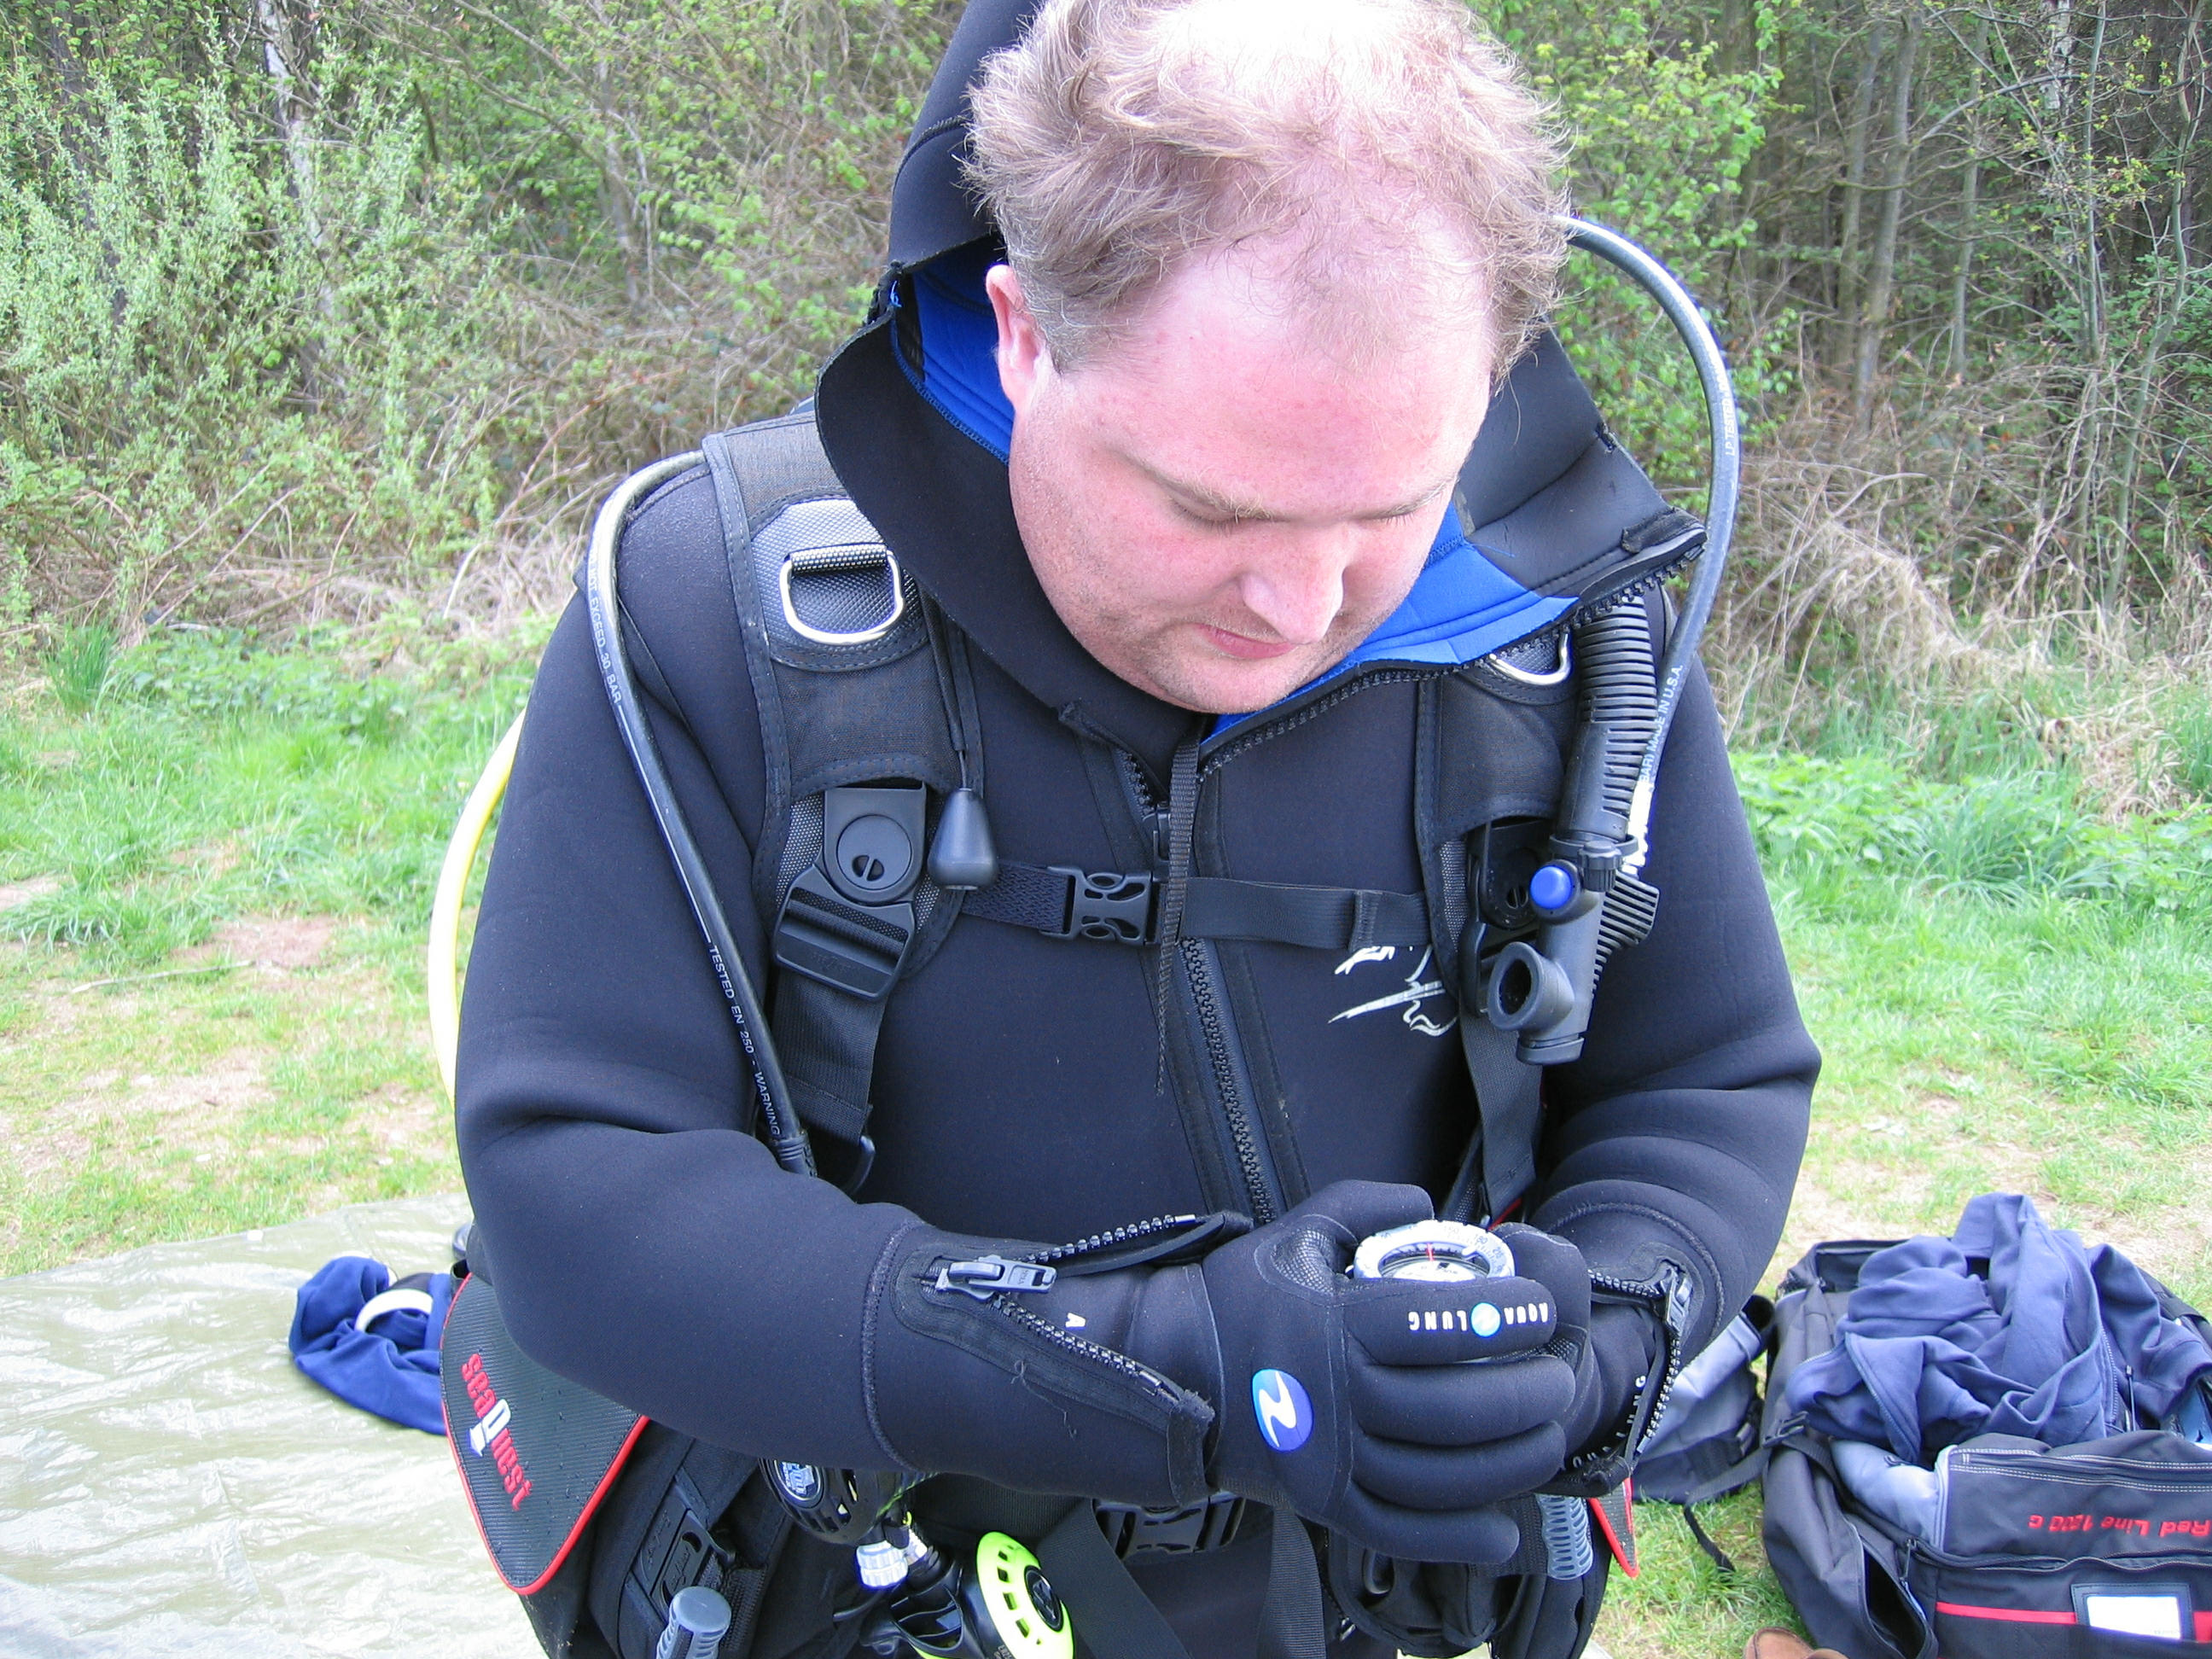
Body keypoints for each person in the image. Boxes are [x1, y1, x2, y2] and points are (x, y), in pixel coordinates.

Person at [454, 0, 1818, 1656]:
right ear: (1025, 333)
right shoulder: (719, 613)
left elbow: (1707, 1077)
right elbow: (576, 1186)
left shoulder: (1558, 631)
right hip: (877, 1591)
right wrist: (1183, 1371)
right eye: (1210, 507)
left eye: (1392, 507)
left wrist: (1604, 1333)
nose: (1299, 604)